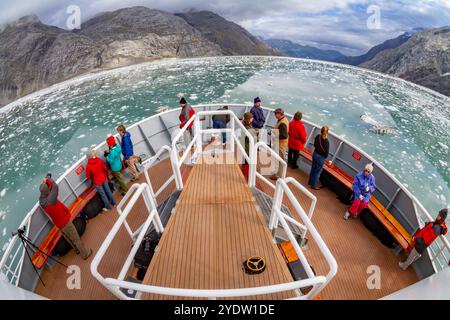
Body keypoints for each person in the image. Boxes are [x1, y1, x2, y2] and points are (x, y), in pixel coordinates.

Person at [39, 175, 92, 260]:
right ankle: (85, 254)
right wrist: (48, 179)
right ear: (48, 191)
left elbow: (46, 190)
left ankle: (76, 250)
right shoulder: (51, 198)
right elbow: (55, 186)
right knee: (75, 237)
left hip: (58, 223)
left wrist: (45, 183)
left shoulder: (42, 201)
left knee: (68, 237)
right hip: (64, 221)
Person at [270, 108, 289, 181]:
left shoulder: (282, 123)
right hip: (280, 144)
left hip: (280, 145)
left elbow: (284, 135)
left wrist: (274, 136)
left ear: (279, 114)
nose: (275, 115)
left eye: (276, 113)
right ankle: (277, 174)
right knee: (278, 160)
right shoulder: (284, 120)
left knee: (279, 161)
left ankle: (278, 176)